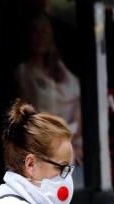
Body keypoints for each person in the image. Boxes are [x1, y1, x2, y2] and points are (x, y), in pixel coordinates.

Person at [14, 13, 83, 165]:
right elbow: (29, 115)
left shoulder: (61, 69)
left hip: (72, 150)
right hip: (44, 152)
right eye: (35, 32)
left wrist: (75, 144)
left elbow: (79, 102)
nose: (40, 36)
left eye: (44, 32)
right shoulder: (24, 72)